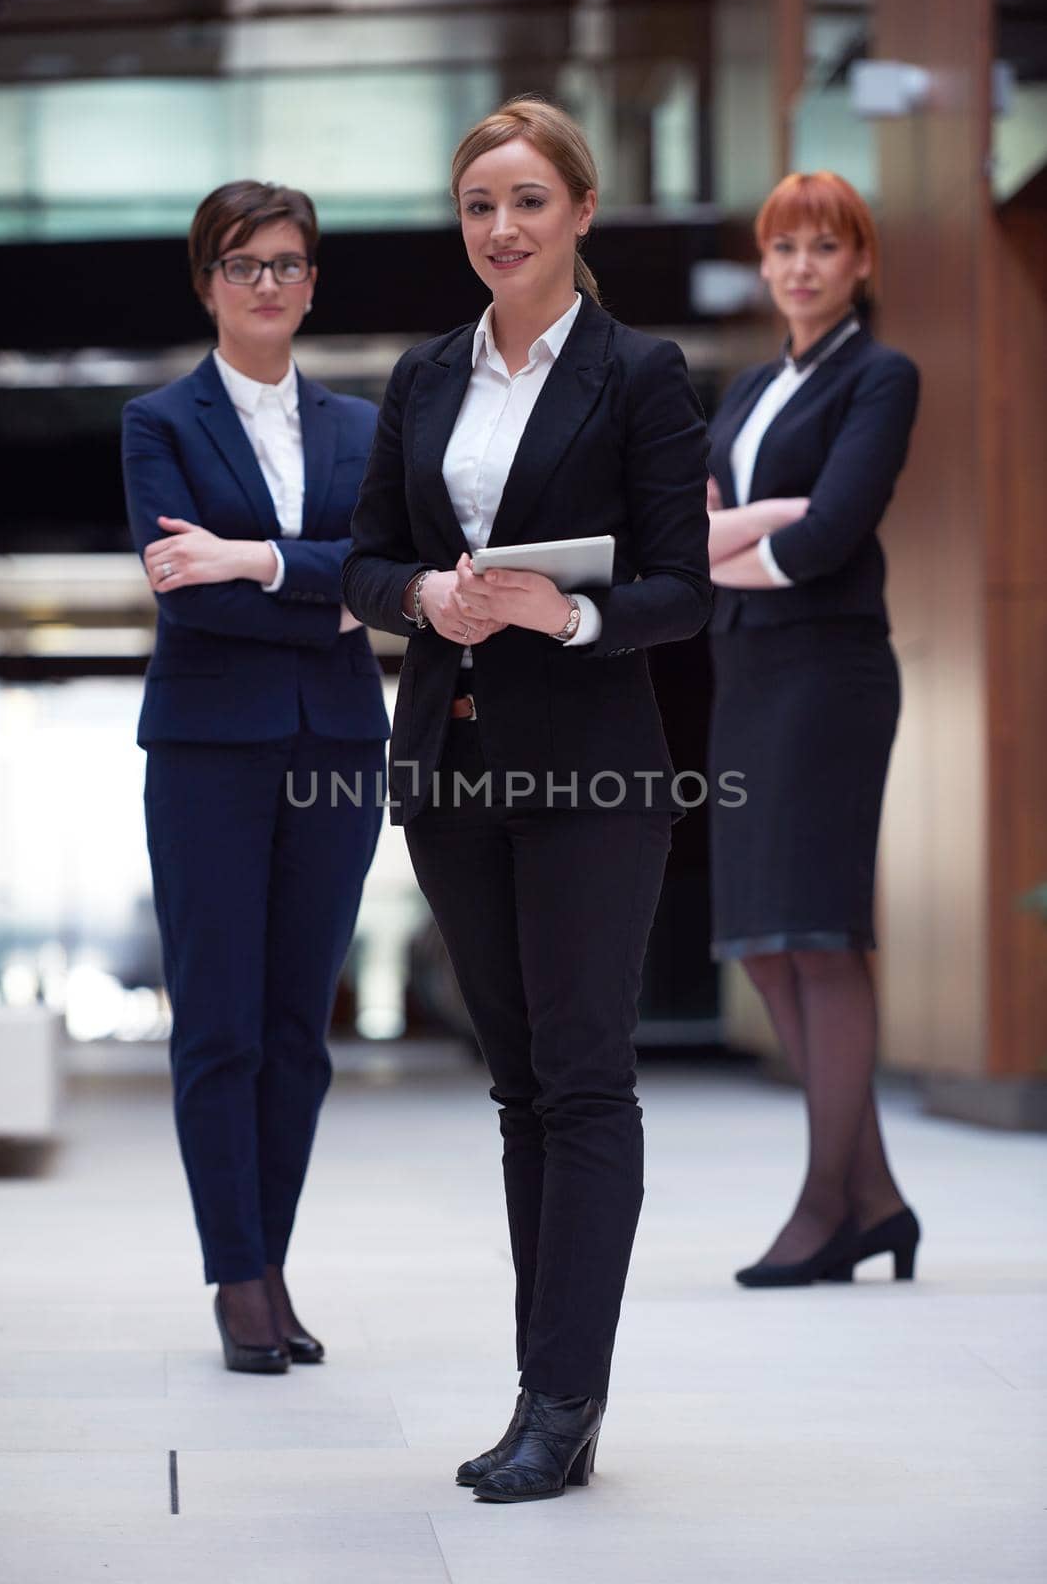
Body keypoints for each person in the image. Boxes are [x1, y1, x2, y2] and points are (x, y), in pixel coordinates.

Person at [343, 96, 711, 1503]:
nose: (501, 228)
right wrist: (426, 594)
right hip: (451, 763)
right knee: (516, 1092)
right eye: (480, 205)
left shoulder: (639, 372)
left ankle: (564, 1401)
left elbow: (678, 590)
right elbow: (371, 560)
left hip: (593, 769)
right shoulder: (426, 376)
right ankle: (540, 1391)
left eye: (528, 202)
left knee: (582, 1081)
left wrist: (563, 616)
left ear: (581, 214)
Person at [121, 181, 388, 1372]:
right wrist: (322, 594)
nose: (267, 284)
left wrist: (259, 560)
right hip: (207, 757)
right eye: (244, 265)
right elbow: (190, 594)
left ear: (313, 283)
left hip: (338, 748)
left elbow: (394, 568)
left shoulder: (362, 428)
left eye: (287, 264)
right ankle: (236, 1274)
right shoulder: (159, 423)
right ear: (207, 283)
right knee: (219, 1026)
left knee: (300, 1029)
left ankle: (269, 1258)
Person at [705, 170, 921, 1288]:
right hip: (745, 672)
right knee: (767, 936)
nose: (800, 266)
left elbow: (831, 534)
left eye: (823, 247)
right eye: (783, 247)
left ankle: (828, 1204)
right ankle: (876, 1198)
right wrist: (747, 533)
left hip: (830, 676)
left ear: (860, 263)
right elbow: (682, 539)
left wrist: (739, 543)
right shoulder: (743, 393)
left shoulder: (882, 377)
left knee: (820, 930)